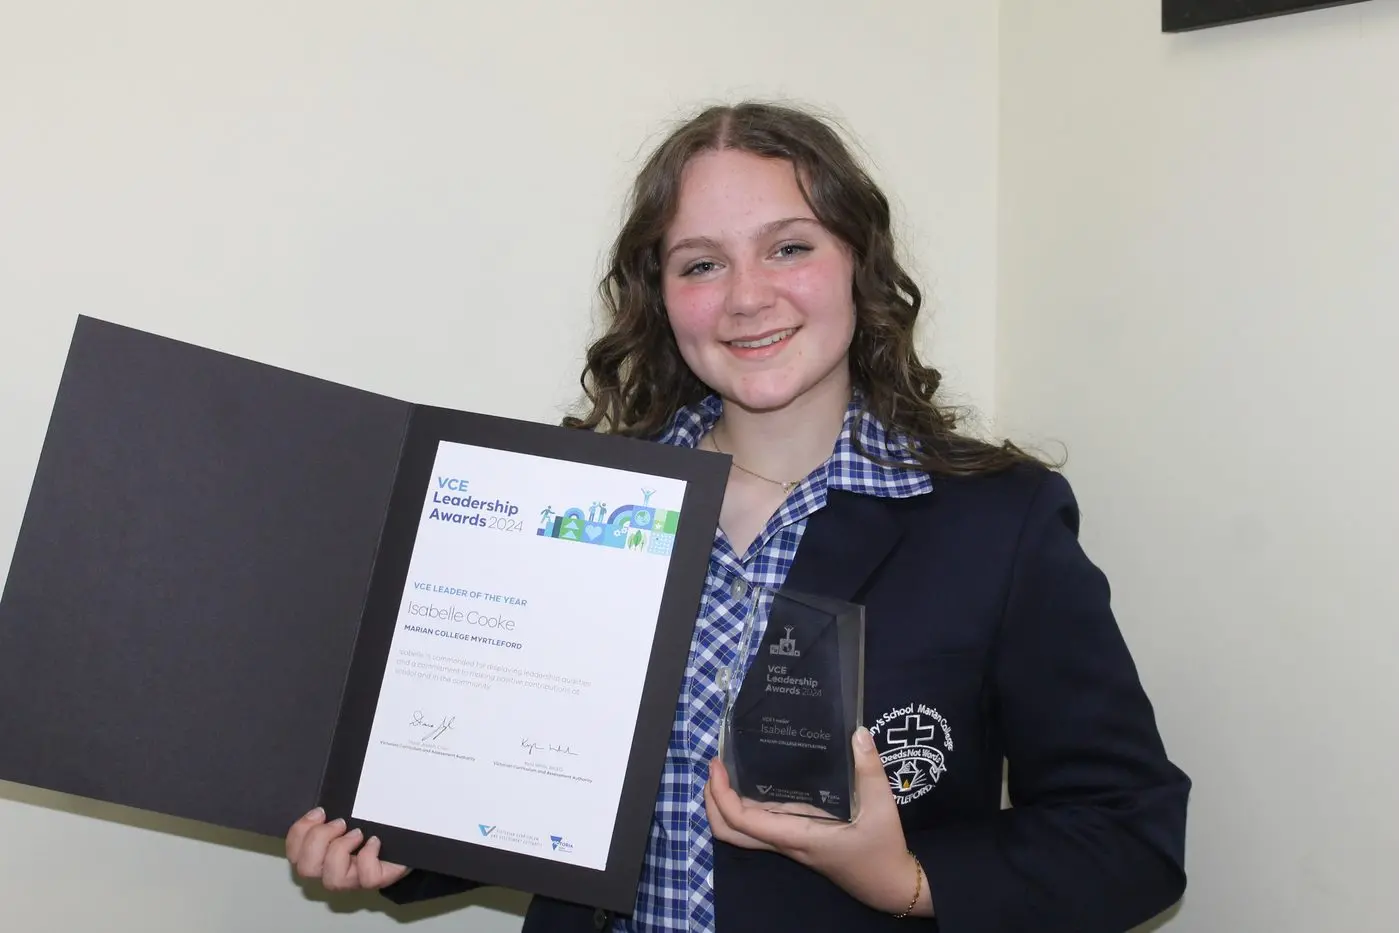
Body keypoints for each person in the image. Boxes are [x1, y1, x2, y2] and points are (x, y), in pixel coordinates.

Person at [285, 100, 1191, 932]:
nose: (746, 295)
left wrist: (906, 878)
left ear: (857, 265)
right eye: (702, 263)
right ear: (659, 296)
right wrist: (407, 845)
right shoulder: (572, 509)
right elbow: (533, 784)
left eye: (789, 247)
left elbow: (1128, 837)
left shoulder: (996, 521)